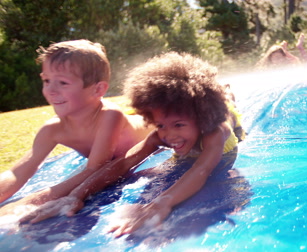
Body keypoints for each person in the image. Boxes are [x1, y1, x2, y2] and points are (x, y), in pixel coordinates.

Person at [20, 52, 246, 238]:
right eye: (160, 125)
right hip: (201, 126)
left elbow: (202, 169)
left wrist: (162, 203)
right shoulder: (161, 136)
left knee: (227, 105)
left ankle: (227, 93)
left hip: (225, 117)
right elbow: (124, 162)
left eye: (178, 124)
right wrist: (76, 195)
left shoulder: (215, 132)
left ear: (201, 118)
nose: (169, 134)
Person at [0, 40, 151, 207]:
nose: (50, 90)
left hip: (148, 123)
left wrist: (24, 205)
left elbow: (94, 171)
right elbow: (17, 173)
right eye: (47, 81)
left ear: (98, 89)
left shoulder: (110, 116)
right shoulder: (53, 129)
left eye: (63, 82)